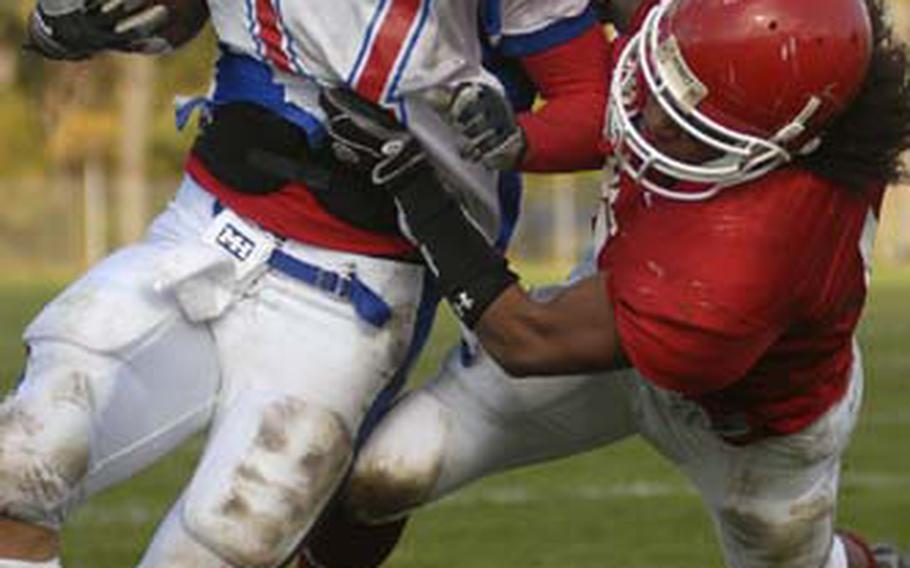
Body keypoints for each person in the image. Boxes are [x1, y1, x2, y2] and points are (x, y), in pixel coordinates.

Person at [0, 3, 609, 568]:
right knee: (18, 466)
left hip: (354, 293)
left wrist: (517, 138)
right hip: (205, 232)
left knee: (227, 542)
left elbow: (592, 103)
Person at [315, 0, 910, 566]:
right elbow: (631, 88)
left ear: (782, 146)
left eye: (690, 119)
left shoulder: (749, 261)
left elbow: (527, 340)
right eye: (665, 79)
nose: (651, 113)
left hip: (751, 428)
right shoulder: (720, 50)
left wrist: (415, 186)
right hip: (619, 305)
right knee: (382, 475)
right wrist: (523, 137)